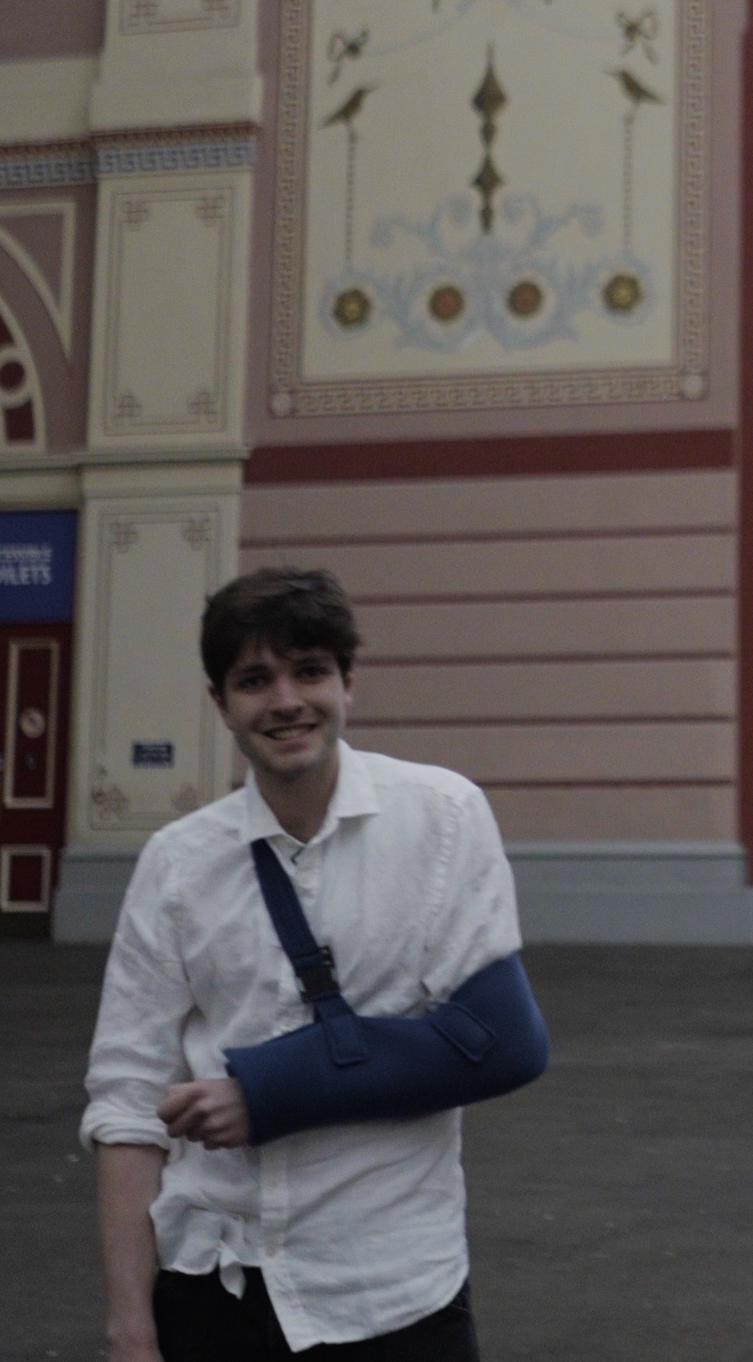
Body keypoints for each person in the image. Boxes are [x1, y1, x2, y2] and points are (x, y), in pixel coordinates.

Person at [83, 568, 532, 1359]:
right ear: (221, 703)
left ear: (349, 683)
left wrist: (265, 1092)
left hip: (389, 1286)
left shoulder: (442, 816)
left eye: (311, 672)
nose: (286, 700)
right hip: (213, 1280)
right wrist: (130, 1329)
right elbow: (126, 1101)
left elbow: (500, 1041)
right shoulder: (177, 864)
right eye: (255, 680)